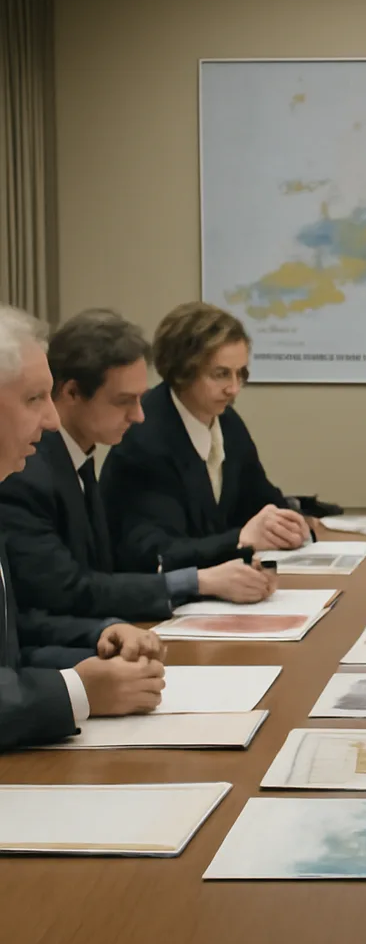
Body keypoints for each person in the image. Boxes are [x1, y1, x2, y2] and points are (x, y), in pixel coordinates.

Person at [0, 310, 275, 623]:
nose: (139, 416)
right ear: (72, 393)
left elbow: (102, 573)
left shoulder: (76, 456)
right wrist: (198, 581)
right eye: (124, 401)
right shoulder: (24, 473)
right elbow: (64, 591)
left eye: (140, 399)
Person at [0, 304, 165, 751]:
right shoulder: (26, 479)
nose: (53, 420)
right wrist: (77, 691)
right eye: (34, 399)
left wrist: (98, 636)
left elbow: (13, 645)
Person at [100, 301, 309, 572]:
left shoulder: (228, 423)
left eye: (240, 374)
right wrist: (240, 539)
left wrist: (287, 523)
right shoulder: (145, 439)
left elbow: (260, 499)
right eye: (221, 374)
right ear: (182, 371)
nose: (234, 389)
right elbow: (157, 552)